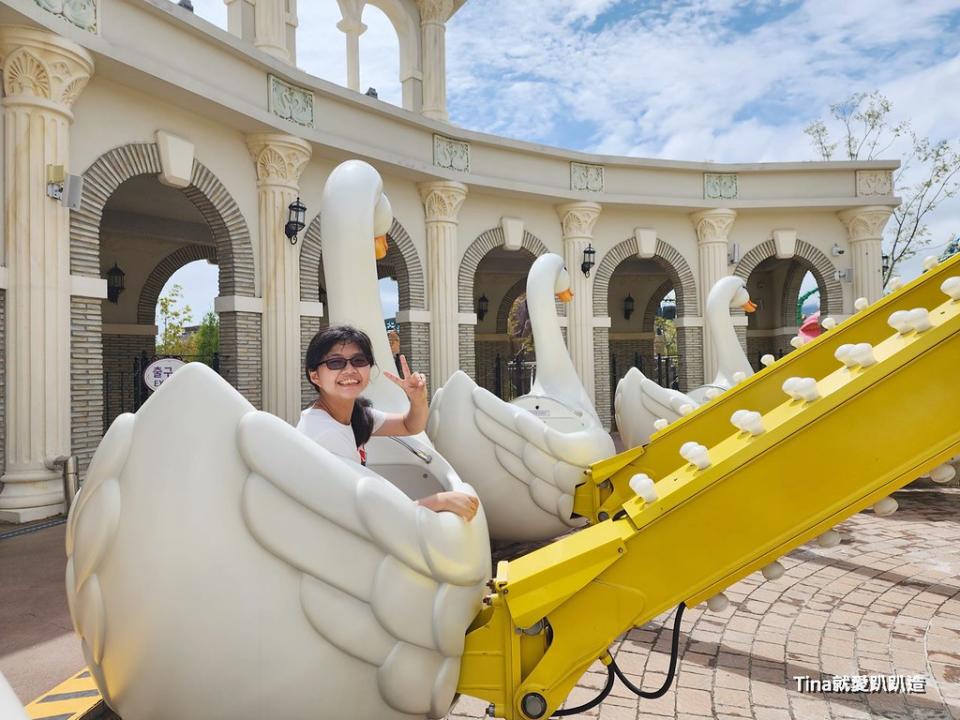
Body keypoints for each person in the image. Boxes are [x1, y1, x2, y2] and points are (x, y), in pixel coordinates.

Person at [298, 325, 479, 521]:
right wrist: (439, 501)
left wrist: (418, 398)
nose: (349, 370)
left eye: (359, 361)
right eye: (335, 363)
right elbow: (359, 516)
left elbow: (409, 425)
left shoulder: (353, 414)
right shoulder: (325, 433)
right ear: (315, 376)